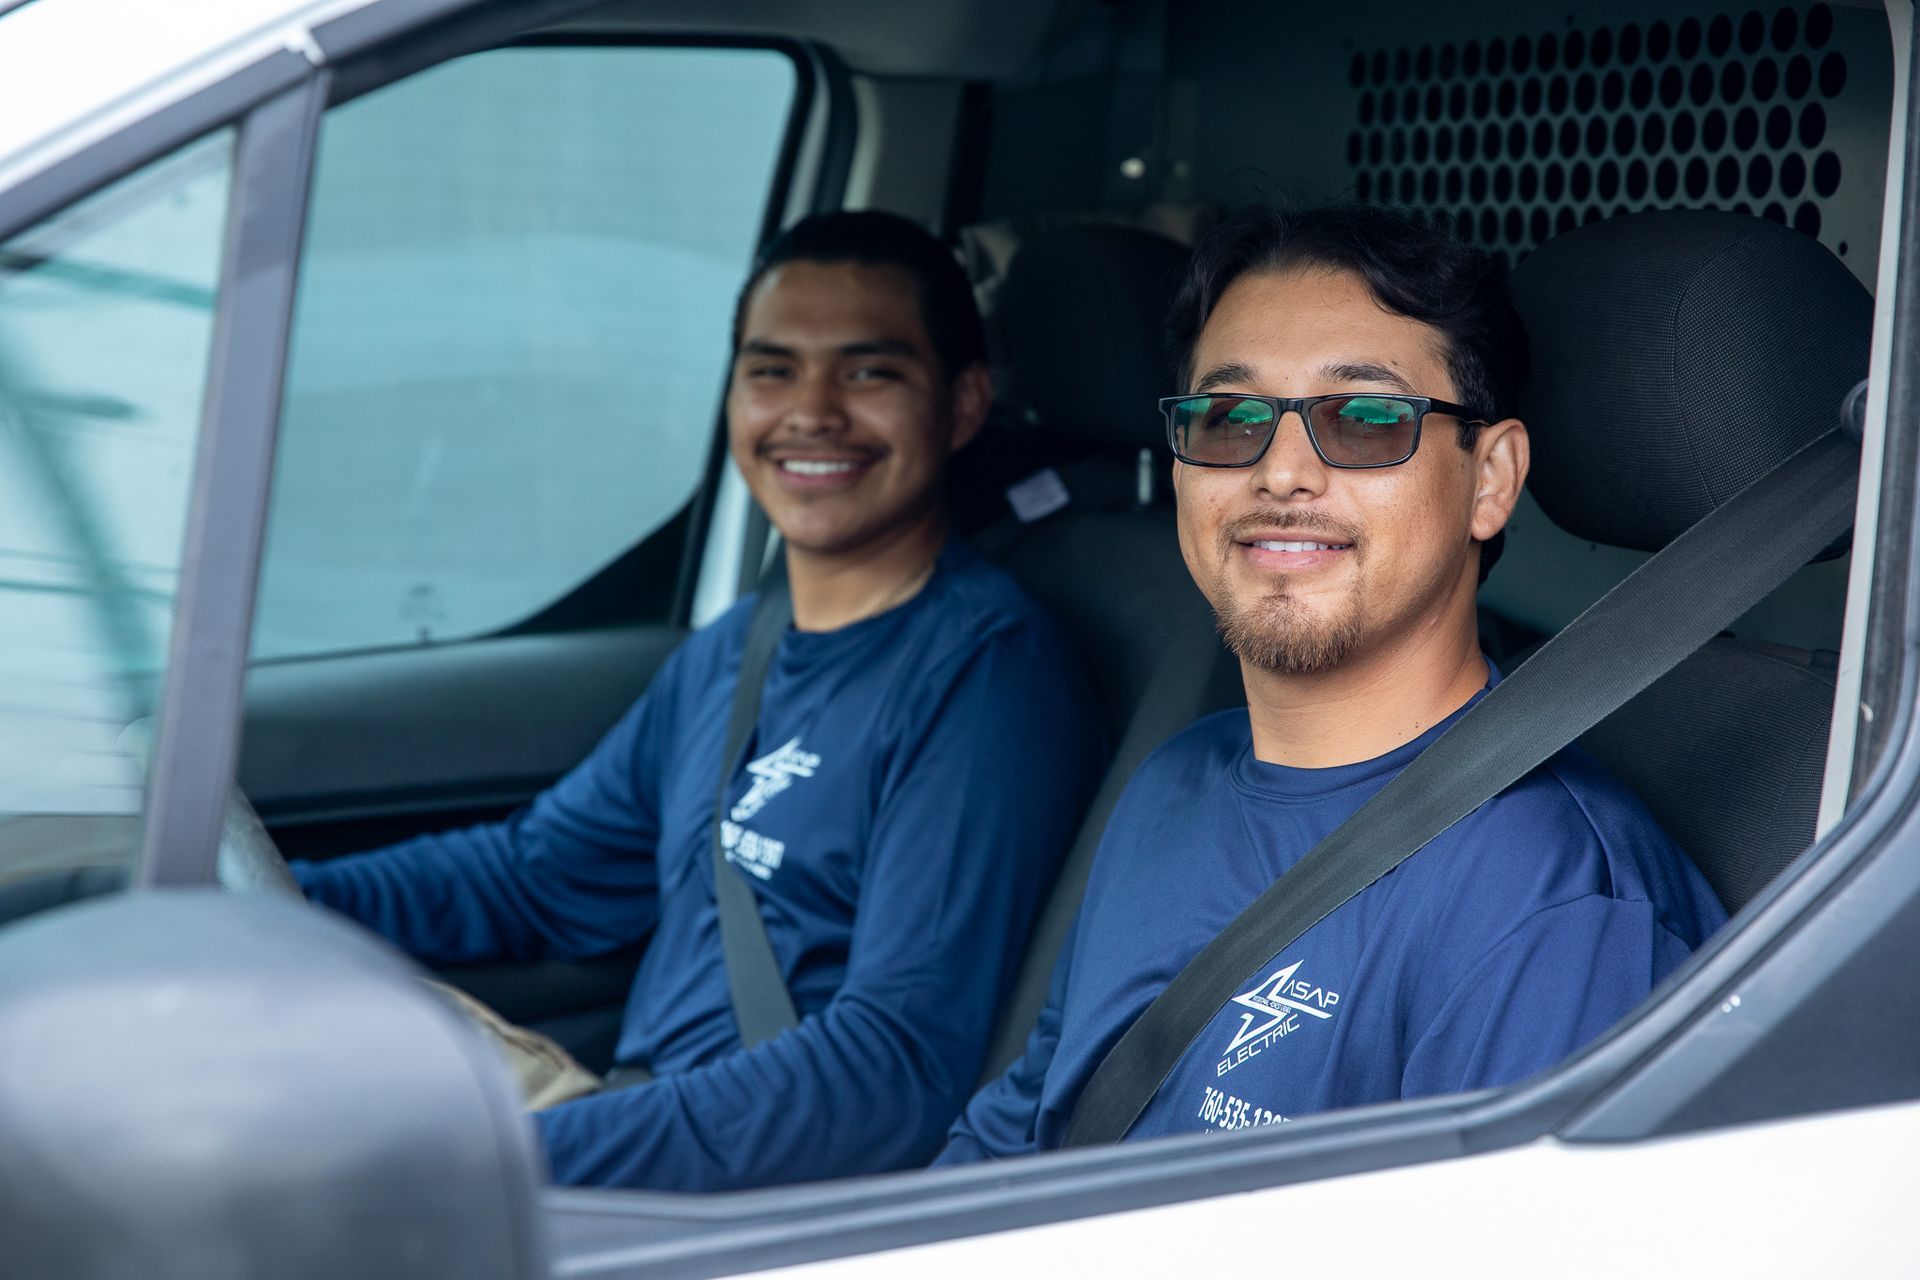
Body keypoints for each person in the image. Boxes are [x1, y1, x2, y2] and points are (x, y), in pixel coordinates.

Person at [293, 211, 1107, 1190]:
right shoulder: (734, 649)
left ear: (964, 402)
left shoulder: (984, 673)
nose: (811, 411)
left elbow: (892, 1070)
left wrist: (515, 1161)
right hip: (625, 1126)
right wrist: (278, 899)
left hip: (739, 1204)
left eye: (868, 371)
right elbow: (539, 874)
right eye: (772, 369)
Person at [938, 205, 1727, 1159]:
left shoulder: (1553, 906)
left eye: (1364, 419)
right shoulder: (1172, 784)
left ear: (1491, 480)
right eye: (1229, 419)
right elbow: (1020, 1135)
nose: (1281, 473)